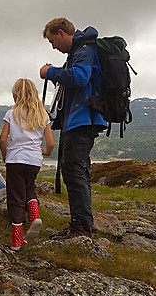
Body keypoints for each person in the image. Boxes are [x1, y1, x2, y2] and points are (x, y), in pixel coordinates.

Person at [39, 17, 106, 238]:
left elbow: (80, 77)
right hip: (78, 121)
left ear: (61, 32)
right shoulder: (78, 51)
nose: (53, 46)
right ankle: (82, 223)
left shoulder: (84, 49)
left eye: (52, 40)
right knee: (79, 171)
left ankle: (81, 227)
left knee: (73, 171)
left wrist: (50, 72)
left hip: (82, 120)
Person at [0, 78, 55, 251]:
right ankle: (34, 215)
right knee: (29, 187)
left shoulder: (11, 113)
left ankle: (17, 240)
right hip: (34, 160)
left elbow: (2, 139)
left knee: (16, 197)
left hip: (15, 159)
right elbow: (51, 143)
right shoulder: (42, 114)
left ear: (16, 95)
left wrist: (5, 155)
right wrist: (45, 152)